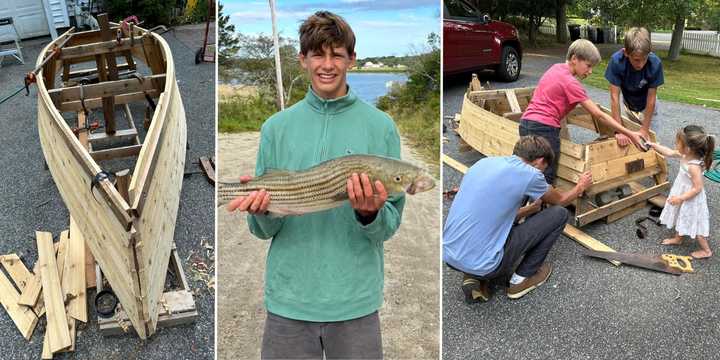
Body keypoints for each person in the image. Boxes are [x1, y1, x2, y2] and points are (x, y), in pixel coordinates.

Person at [226, 11, 404, 359]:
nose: (327, 64)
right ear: (302, 60)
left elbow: (389, 226)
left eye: (337, 54)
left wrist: (370, 217)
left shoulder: (381, 127)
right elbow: (262, 230)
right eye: (318, 54)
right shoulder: (275, 128)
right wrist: (263, 211)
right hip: (288, 302)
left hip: (356, 301)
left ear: (351, 59)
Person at [443, 136, 593, 302]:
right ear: (539, 161)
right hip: (486, 264)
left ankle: (474, 276)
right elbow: (561, 200)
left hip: (449, 256)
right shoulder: (530, 175)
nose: (541, 174)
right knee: (559, 214)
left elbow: (496, 215)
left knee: (483, 224)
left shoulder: (484, 163)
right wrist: (580, 186)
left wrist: (529, 209)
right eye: (542, 170)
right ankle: (521, 279)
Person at [519, 39, 645, 185]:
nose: (590, 71)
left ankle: (520, 205)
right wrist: (630, 133)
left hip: (526, 123)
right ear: (574, 59)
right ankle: (539, 207)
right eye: (588, 65)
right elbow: (598, 114)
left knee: (526, 169)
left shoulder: (555, 68)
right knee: (545, 175)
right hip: (544, 129)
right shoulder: (571, 83)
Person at [647, 126, 715, 259]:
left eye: (677, 142)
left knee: (696, 225)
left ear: (688, 148)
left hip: (691, 198)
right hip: (682, 193)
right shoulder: (685, 155)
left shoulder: (693, 166)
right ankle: (678, 238)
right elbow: (668, 152)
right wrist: (653, 145)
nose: (675, 144)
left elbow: (697, 188)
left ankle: (707, 251)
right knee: (680, 215)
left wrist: (680, 198)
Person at [605, 27, 664, 145]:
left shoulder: (655, 64)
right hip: (629, 106)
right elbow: (614, 97)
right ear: (626, 52)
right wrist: (619, 130)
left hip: (649, 107)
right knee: (633, 142)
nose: (641, 64)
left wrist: (645, 129)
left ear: (649, 53)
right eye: (637, 60)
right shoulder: (617, 62)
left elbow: (651, 99)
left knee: (650, 143)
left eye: (644, 59)